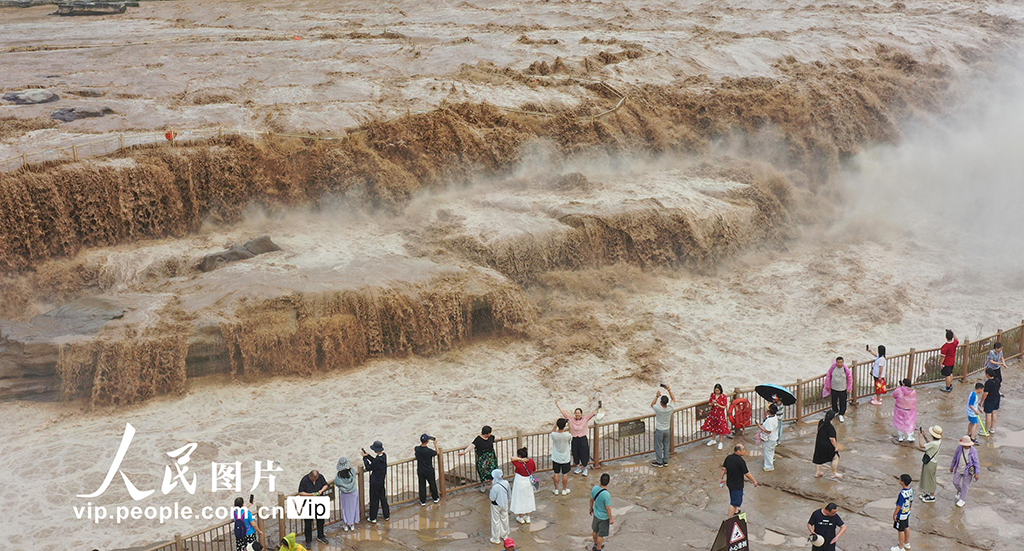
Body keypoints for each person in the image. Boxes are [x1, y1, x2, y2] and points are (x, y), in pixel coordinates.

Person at [557, 400, 600, 476]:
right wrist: (558, 405)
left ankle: (585, 468)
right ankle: (578, 467)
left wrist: (598, 407)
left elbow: (593, 413)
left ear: (581, 414)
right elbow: (564, 413)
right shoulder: (571, 419)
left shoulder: (585, 419)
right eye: (576, 413)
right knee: (575, 453)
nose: (577, 414)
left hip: (583, 438)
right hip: (575, 439)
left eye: (578, 413)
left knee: (584, 453)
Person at [720, 443, 758, 516]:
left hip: (730, 483)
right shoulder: (741, 461)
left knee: (733, 497)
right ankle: (729, 519)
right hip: (737, 485)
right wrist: (754, 481)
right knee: (734, 503)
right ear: (738, 451)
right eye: (743, 449)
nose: (744, 451)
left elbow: (723, 469)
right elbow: (747, 474)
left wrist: (721, 478)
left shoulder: (728, 458)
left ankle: (736, 511)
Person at [460, 426, 498, 492]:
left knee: (492, 471)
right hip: (482, 459)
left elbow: (496, 438)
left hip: (491, 458)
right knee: (482, 472)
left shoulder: (491, 437)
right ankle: (483, 484)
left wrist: (501, 438)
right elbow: (472, 445)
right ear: (486, 433)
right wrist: (465, 452)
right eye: (489, 433)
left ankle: (492, 484)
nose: (490, 435)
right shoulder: (478, 439)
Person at [297, 470, 329, 545]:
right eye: (313, 479)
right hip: (308, 503)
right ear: (310, 476)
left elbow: (326, 485)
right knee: (308, 523)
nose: (315, 480)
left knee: (321, 520)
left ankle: (321, 536)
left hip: (320, 502)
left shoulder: (320, 477)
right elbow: (300, 492)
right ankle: (308, 540)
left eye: (316, 478)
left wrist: (321, 491)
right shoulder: (304, 480)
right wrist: (311, 495)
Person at [362, 441, 389, 523]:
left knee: (374, 500)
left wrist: (364, 459)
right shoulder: (384, 456)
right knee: (383, 498)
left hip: (375, 483)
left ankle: (373, 517)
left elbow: (369, 467)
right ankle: (386, 515)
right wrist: (368, 456)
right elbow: (375, 462)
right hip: (381, 481)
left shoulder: (377, 460)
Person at [950, 435, 980, 508]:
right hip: (959, 468)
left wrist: (977, 473)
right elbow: (955, 457)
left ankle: (962, 499)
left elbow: (976, 462)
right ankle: (960, 491)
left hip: (968, 471)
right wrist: (952, 466)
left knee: (965, 485)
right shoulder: (959, 448)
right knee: (955, 482)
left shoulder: (973, 451)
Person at [915, 426, 942, 503]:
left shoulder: (934, 443)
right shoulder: (938, 441)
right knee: (927, 477)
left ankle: (931, 496)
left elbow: (922, 445)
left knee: (930, 478)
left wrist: (919, 437)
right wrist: (925, 436)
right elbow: (929, 443)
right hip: (932, 461)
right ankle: (928, 493)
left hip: (930, 462)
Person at [510, 447, 537, 524]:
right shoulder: (531, 461)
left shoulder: (518, 463)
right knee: (528, 497)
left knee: (519, 498)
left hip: (519, 481)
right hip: (528, 481)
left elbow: (512, 458)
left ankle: (521, 517)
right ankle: (528, 517)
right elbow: (534, 469)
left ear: (519, 456)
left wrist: (521, 460)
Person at [813, 411, 842, 479]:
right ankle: (834, 473)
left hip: (819, 443)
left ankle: (818, 472)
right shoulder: (830, 427)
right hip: (827, 445)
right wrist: (836, 447)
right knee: (835, 457)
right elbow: (832, 439)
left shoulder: (821, 422)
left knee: (819, 458)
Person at [652, 384, 676, 466]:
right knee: (666, 445)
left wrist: (656, 396)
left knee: (659, 446)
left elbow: (652, 404)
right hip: (667, 429)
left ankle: (659, 462)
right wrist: (669, 390)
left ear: (661, 402)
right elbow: (673, 399)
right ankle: (665, 461)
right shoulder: (670, 408)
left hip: (659, 430)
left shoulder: (658, 409)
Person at [701, 384, 730, 451]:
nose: (716, 392)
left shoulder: (724, 396)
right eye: (715, 390)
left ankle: (720, 442)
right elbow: (709, 403)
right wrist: (712, 403)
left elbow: (724, 407)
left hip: (720, 414)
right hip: (713, 413)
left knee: (721, 428)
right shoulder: (712, 395)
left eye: (718, 390)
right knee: (713, 426)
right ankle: (713, 439)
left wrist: (718, 404)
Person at [823, 357, 852, 422]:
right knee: (834, 401)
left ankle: (841, 414)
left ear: (843, 362)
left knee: (843, 402)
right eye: (838, 362)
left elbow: (850, 378)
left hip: (843, 388)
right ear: (836, 362)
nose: (839, 364)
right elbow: (828, 376)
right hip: (834, 388)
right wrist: (828, 385)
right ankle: (835, 411)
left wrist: (849, 388)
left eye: (841, 362)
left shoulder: (845, 369)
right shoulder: (833, 368)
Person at [334, 457, 359, 531]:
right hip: (353, 492)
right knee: (353, 508)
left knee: (345, 509)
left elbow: (337, 483)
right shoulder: (352, 471)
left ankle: (346, 524)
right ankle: (352, 524)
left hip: (345, 494)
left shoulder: (339, 475)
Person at [590, 473, 613, 551]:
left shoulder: (595, 488)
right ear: (608, 482)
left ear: (600, 480)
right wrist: (611, 519)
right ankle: (599, 549)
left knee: (595, 531)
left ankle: (595, 544)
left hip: (596, 515)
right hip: (604, 517)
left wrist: (591, 509)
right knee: (601, 535)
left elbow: (591, 499)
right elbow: (608, 508)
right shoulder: (607, 495)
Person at [415, 434, 440, 506]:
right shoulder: (429, 451)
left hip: (420, 470)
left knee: (422, 485)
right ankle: (435, 498)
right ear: (428, 441)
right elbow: (437, 452)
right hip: (429, 470)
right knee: (432, 484)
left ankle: (423, 501)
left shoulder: (417, 449)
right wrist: (435, 444)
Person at [489, 468, 511, 544]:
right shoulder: (506, 483)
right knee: (505, 519)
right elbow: (509, 494)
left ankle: (496, 538)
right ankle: (504, 535)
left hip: (496, 505)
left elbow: (492, 498)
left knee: (496, 521)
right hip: (505, 503)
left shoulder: (495, 487)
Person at [550, 418, 573, 495]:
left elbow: (552, 431)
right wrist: (570, 426)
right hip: (565, 458)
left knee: (556, 473)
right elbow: (571, 434)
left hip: (556, 457)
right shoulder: (567, 435)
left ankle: (556, 489)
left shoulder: (554, 435)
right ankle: (564, 489)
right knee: (565, 473)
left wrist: (555, 424)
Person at [892, 473, 913, 551]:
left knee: (900, 530)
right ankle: (906, 543)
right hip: (907, 512)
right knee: (906, 527)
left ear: (902, 482)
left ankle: (900, 547)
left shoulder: (902, 494)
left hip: (901, 514)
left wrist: (895, 514)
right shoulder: (911, 490)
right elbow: (911, 501)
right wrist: (909, 509)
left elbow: (899, 506)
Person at [892, 379, 917, 443]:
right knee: (910, 422)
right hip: (910, 409)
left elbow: (894, 395)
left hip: (899, 408)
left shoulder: (899, 390)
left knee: (900, 422)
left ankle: (900, 437)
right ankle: (909, 436)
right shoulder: (913, 391)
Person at [759, 404, 780, 471]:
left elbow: (768, 431)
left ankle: (769, 466)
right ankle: (771, 459)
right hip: (774, 437)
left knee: (767, 452)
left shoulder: (770, 421)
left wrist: (760, 427)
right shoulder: (774, 417)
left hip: (770, 438)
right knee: (771, 450)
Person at [981, 368, 1001, 436]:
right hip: (997, 397)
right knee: (994, 412)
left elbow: (985, 393)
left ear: (987, 374)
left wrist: (981, 402)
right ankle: (992, 428)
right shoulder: (997, 380)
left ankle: (985, 430)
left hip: (990, 399)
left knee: (988, 414)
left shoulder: (988, 383)